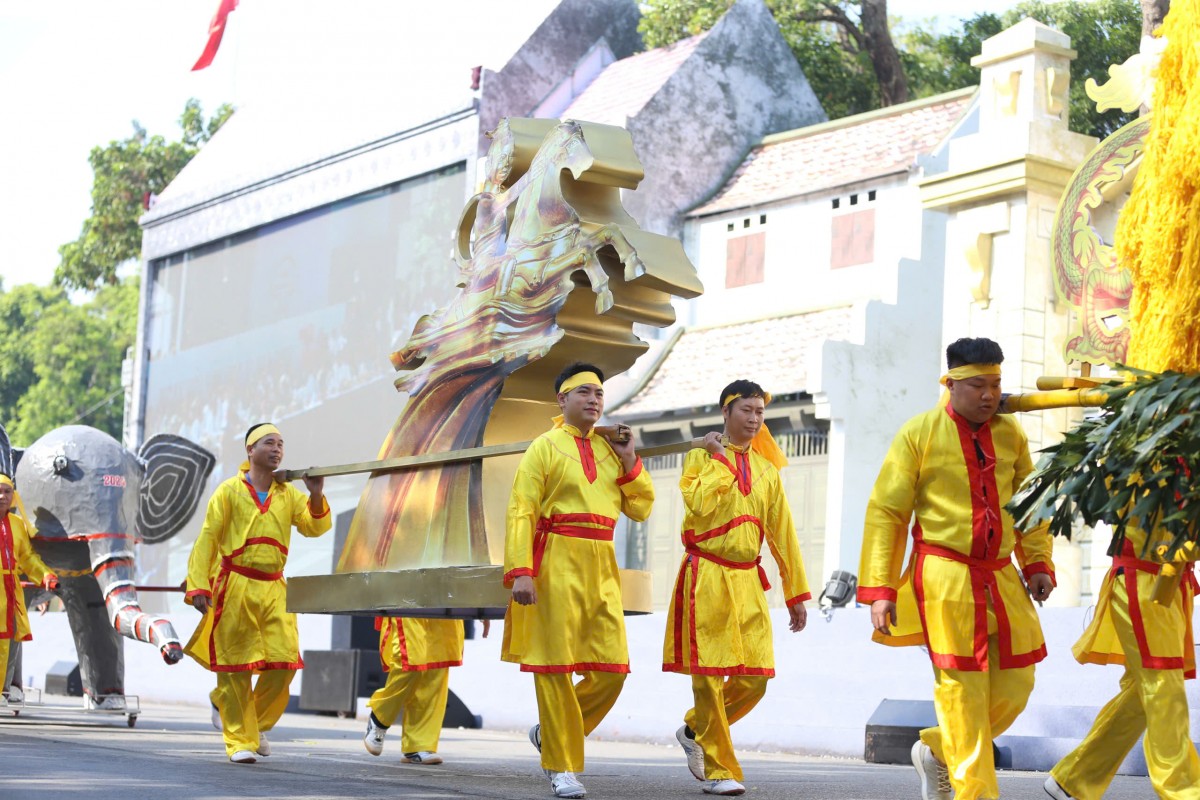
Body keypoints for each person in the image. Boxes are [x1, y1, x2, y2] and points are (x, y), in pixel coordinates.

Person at [858, 338, 1056, 800]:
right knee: (961, 691)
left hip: (1003, 575)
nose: (989, 395)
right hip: (945, 575)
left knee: (1017, 682)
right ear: (950, 384)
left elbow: (1031, 505)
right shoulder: (919, 433)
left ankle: (938, 750)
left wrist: (1038, 561)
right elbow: (887, 511)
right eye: (977, 385)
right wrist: (881, 588)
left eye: (996, 384)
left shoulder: (1011, 434)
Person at [502, 362, 654, 799]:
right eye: (584, 392)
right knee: (554, 668)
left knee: (612, 671)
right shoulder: (544, 447)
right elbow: (521, 510)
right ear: (562, 400)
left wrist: (629, 459)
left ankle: (553, 734)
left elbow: (641, 508)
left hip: (602, 566)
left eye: (599, 394)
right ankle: (561, 765)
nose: (594, 400)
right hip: (555, 564)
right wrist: (522, 572)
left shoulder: (611, 449)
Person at [663, 380, 811, 797]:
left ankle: (695, 728)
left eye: (760, 412)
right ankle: (718, 770)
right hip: (706, 574)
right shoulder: (699, 455)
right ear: (726, 413)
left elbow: (783, 535)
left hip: (748, 579)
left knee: (755, 679)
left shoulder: (767, 470)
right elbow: (699, 505)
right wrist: (715, 458)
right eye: (746, 410)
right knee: (709, 677)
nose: (753, 418)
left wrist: (795, 593)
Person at [185, 423, 331, 763]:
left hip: (275, 587)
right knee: (235, 667)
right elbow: (207, 539)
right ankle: (240, 742)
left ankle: (253, 724)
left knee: (284, 663)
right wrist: (198, 585)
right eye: (270, 442)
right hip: (235, 585)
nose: (277, 449)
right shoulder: (228, 491)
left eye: (281, 444)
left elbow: (314, 528)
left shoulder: (289, 494)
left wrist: (315, 494)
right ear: (250, 450)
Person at [1043, 528, 1200, 799]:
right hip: (1146, 581)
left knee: (1145, 696)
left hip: (1168, 581)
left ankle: (1074, 779)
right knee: (1164, 691)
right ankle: (1184, 793)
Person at [362, 616, 489, 763]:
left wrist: (478, 608)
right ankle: (380, 717)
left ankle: (418, 745)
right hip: (409, 600)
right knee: (410, 660)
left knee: (436, 668)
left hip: (444, 602)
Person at [0, 474, 58, 705]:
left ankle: (3, 690)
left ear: (13, 497)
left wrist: (46, 577)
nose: (2, 496)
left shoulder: (17, 525)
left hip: (10, 591)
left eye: (7, 492)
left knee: (9, 641)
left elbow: (27, 557)